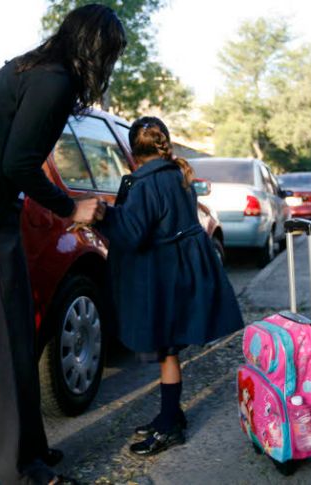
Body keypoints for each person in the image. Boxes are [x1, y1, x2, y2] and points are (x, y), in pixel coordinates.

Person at [0, 5, 126, 484]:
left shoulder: (33, 69)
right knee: (4, 351)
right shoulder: (53, 80)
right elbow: (17, 163)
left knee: (20, 340)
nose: (110, 66)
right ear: (94, 48)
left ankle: (33, 453)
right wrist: (70, 208)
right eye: (111, 55)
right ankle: (19, 472)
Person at [94, 117, 244, 457]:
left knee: (167, 352)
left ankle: (170, 427)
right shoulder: (178, 175)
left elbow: (132, 234)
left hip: (163, 275)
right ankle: (170, 414)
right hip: (180, 271)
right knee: (169, 349)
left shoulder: (146, 185)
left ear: (133, 152)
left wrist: (103, 214)